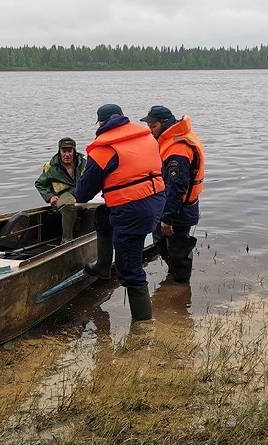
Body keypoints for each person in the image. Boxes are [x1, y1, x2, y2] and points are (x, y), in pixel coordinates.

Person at [74, 104, 165, 321]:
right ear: (123, 118)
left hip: (132, 211)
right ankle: (103, 266)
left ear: (101, 123)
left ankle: (142, 325)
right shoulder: (146, 137)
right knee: (103, 218)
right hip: (156, 202)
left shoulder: (103, 149)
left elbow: (83, 193)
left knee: (129, 268)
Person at [140, 105, 205, 283]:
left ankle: (181, 289)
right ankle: (175, 280)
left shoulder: (178, 149)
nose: (149, 129)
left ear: (164, 123)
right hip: (167, 206)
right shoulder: (171, 140)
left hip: (178, 210)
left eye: (152, 126)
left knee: (178, 251)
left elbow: (177, 187)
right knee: (161, 243)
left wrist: (167, 219)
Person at [34, 137, 87, 243]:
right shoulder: (52, 167)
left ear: (74, 151)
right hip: (63, 198)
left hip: (82, 197)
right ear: (60, 151)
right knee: (68, 205)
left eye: (69, 151)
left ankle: (90, 235)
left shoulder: (84, 163)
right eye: (64, 151)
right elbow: (40, 184)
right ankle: (67, 240)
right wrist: (50, 197)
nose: (67, 154)